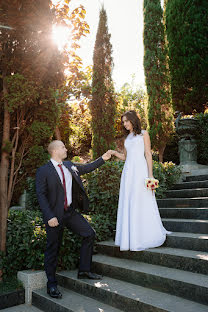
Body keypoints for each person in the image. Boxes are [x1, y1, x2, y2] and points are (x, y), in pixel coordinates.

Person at [36, 140, 111, 299]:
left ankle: (84, 270)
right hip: (54, 216)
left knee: (89, 233)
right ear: (55, 151)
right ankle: (52, 285)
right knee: (53, 249)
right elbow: (41, 195)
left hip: (70, 213)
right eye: (63, 147)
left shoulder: (69, 166)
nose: (66, 149)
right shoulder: (44, 171)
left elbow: (86, 167)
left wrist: (103, 158)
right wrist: (49, 216)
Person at [109, 110, 171, 251]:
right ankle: (130, 237)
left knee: (141, 200)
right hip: (128, 172)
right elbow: (125, 157)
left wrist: (150, 175)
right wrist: (113, 153)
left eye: (126, 121)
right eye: (123, 122)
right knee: (129, 200)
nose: (124, 124)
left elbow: (148, 154)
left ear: (133, 120)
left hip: (141, 171)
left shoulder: (144, 133)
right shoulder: (126, 138)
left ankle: (144, 236)